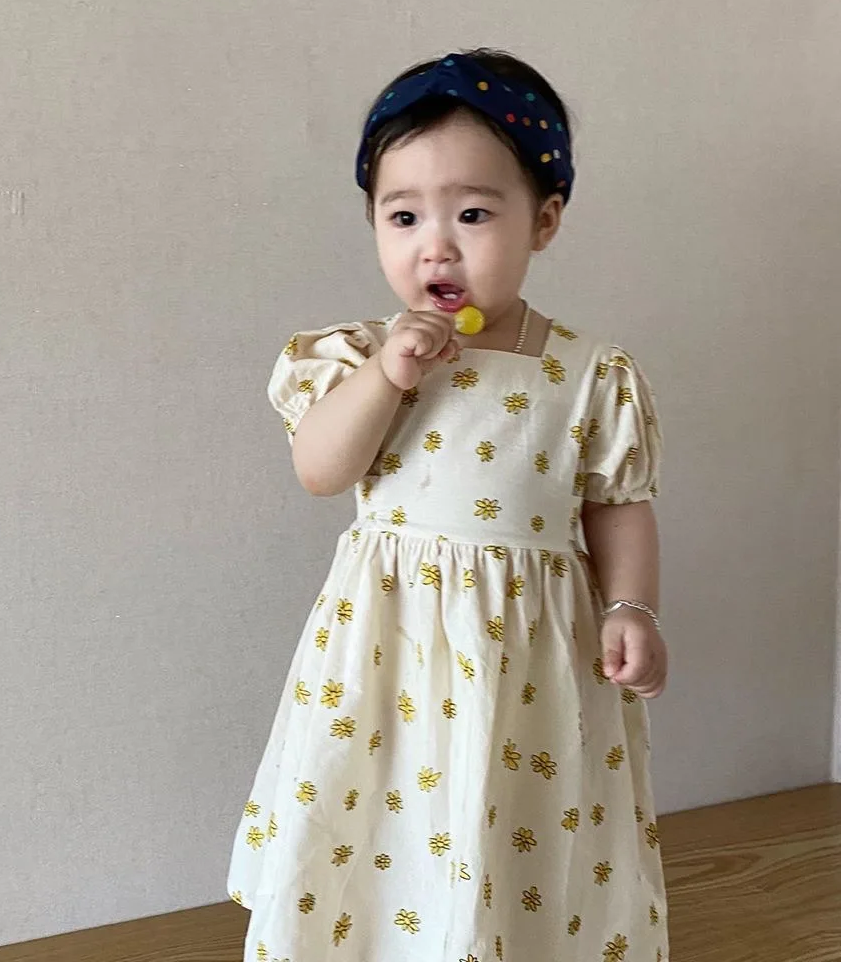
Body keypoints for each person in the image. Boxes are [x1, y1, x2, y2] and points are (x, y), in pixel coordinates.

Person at [228, 49, 669, 962]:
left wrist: (632, 605)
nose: (436, 245)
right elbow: (321, 469)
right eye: (403, 216)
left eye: (472, 213)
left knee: (516, 822)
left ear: (543, 220)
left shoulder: (588, 372)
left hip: (532, 657)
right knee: (381, 815)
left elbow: (616, 502)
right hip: (388, 648)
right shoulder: (357, 356)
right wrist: (388, 377)